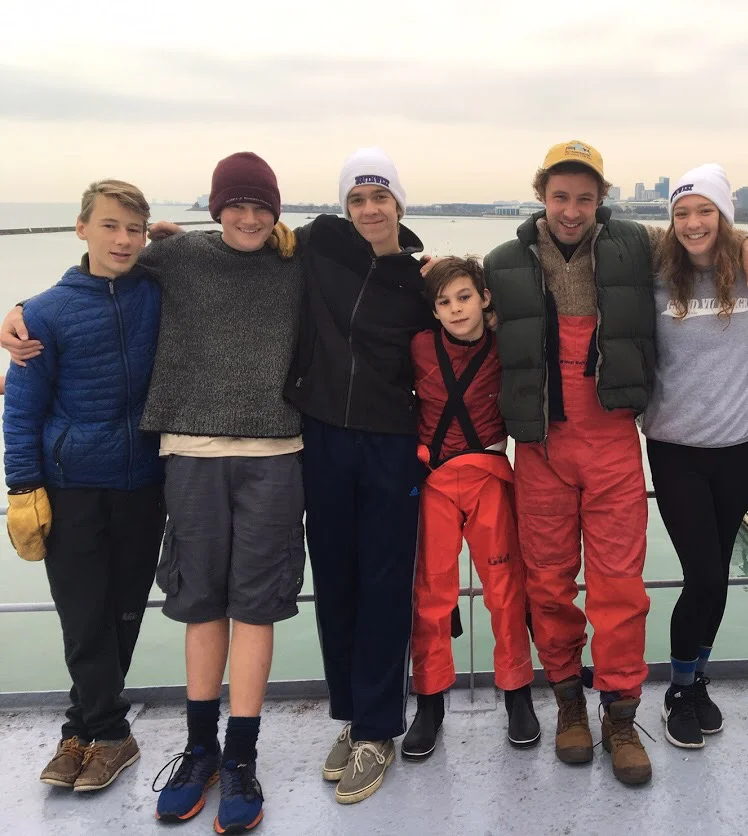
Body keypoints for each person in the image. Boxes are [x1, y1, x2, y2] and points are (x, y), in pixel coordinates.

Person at [4, 155, 306, 831]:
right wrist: (21, 313)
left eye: (261, 207)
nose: (248, 218)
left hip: (276, 455)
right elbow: (94, 280)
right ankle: (198, 751)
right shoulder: (177, 256)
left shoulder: (297, 259)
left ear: (277, 212)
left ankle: (241, 757)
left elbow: (367, 265)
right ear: (216, 208)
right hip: (188, 456)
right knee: (200, 605)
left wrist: (431, 269)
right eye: (235, 205)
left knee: (256, 607)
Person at [482, 140, 748, 786]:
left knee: (620, 587)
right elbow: (453, 309)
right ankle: (567, 701)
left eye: (585, 198)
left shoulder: (637, 246)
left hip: (613, 442)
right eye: (561, 196)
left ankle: (619, 713)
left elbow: (704, 231)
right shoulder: (500, 263)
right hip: (540, 449)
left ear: (601, 200)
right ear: (541, 194)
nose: (571, 210)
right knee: (548, 585)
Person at [284, 148, 437, 805]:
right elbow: (247, 244)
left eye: (380, 197)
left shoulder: (421, 280)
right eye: (357, 198)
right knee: (335, 580)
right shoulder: (320, 245)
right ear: (344, 206)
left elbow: (469, 323)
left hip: (392, 445)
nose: (370, 209)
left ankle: (378, 729)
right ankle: (351, 714)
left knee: (383, 583)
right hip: (321, 436)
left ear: (399, 203)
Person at [3, 179, 164, 793]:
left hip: (144, 481)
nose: (123, 239)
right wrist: (22, 488)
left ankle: (84, 729)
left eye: (135, 229)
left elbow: (206, 265)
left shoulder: (157, 292)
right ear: (81, 228)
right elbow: (21, 408)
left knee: (124, 612)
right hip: (70, 485)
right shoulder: (44, 313)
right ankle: (109, 731)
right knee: (83, 614)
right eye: (110, 225)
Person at [640, 164, 748, 750]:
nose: (693, 223)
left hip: (739, 446)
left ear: (724, 217)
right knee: (706, 576)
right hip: (676, 449)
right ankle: (677, 689)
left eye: (705, 211)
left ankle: (697, 680)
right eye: (682, 213)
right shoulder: (654, 275)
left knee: (714, 579)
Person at [404, 255, 539, 758]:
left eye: (465, 297)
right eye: (444, 302)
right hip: (435, 483)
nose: (456, 309)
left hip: (489, 479)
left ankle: (517, 693)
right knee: (431, 595)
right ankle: (430, 700)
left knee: (505, 591)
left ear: (485, 298)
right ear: (433, 310)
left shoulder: (507, 344)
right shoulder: (418, 345)